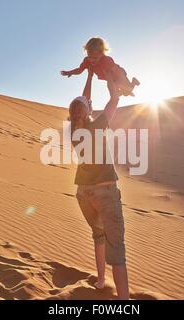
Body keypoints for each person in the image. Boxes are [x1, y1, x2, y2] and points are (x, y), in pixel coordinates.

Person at [69, 69, 130, 300]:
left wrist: (89, 75)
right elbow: (114, 99)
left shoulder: (74, 130)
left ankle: (101, 280)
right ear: (88, 111)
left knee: (98, 235)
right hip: (105, 193)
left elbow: (84, 101)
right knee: (117, 250)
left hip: (84, 195)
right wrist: (111, 80)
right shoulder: (98, 124)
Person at [62, 37, 140, 97]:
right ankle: (126, 91)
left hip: (119, 75)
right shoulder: (87, 60)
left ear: (101, 54)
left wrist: (122, 81)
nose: (91, 60)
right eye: (89, 56)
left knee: (125, 90)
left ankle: (133, 83)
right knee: (117, 94)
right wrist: (70, 72)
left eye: (95, 58)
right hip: (111, 79)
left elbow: (117, 71)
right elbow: (79, 70)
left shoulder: (106, 60)